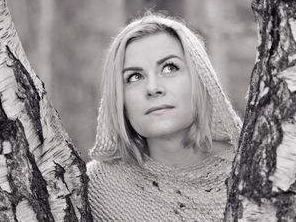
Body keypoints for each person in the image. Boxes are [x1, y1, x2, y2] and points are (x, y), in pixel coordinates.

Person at [87, 13, 242, 221]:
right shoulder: (98, 188)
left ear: (201, 79)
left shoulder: (252, 169)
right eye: (134, 77)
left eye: (170, 68)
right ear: (119, 100)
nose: (153, 88)